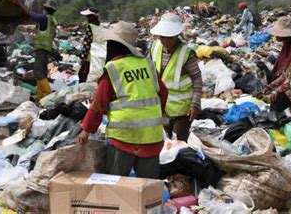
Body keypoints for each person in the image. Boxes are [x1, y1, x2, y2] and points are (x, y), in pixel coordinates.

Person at [78, 21, 167, 179]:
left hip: (123, 138)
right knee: (148, 188)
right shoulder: (148, 64)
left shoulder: (114, 68)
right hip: (152, 137)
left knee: (117, 188)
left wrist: (86, 130)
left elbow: (99, 103)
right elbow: (163, 92)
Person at [149, 13, 202, 141]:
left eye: (169, 38)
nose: (164, 41)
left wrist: (195, 104)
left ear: (176, 36)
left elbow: (197, 79)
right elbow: (150, 72)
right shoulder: (155, 47)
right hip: (161, 107)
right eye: (162, 37)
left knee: (178, 144)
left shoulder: (186, 53)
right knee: (164, 142)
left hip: (182, 110)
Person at [262, 16, 291, 112]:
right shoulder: (288, 45)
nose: (275, 35)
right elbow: (285, 73)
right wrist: (270, 86)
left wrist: (277, 91)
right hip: (290, 82)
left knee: (276, 101)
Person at [30, 0, 58, 100]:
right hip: (46, 48)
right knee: (41, 72)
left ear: (46, 8)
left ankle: (47, 95)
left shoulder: (44, 18)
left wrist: (28, 7)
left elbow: (32, 16)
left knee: (38, 72)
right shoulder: (53, 21)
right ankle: (40, 95)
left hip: (41, 48)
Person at [78, 8, 101, 83]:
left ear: (92, 17)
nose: (87, 18)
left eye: (88, 16)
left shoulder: (90, 27)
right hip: (96, 54)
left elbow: (87, 43)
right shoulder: (99, 26)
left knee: (82, 74)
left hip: (89, 56)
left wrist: (83, 57)